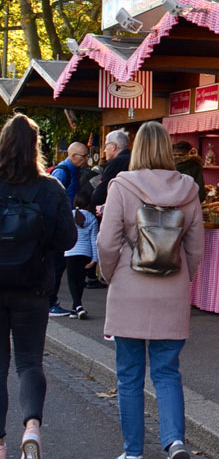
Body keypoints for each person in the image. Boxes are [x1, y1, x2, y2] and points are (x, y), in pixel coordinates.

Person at [98, 121, 204, 459]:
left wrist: (110, 273)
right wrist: (184, 278)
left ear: (138, 148)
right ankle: (174, 441)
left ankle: (132, 452)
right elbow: (196, 247)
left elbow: (107, 241)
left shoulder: (122, 186)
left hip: (129, 287)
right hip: (171, 288)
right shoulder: (188, 188)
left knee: (129, 375)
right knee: (167, 371)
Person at [0, 114, 77, 459]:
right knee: (30, 362)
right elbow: (68, 237)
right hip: (33, 288)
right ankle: (31, 426)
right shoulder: (50, 188)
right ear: (36, 148)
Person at [47, 141, 89, 317]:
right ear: (72, 156)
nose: (87, 159)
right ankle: (50, 302)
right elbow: (52, 198)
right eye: (84, 156)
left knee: (60, 265)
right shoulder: (62, 172)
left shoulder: (73, 170)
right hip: (60, 225)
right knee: (57, 265)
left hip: (65, 224)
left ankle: (51, 301)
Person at [63, 192, 98, 320]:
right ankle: (75, 308)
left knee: (72, 280)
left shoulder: (69, 216)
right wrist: (95, 259)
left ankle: (77, 306)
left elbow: (64, 234)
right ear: (89, 204)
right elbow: (94, 240)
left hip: (71, 251)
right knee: (80, 281)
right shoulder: (92, 219)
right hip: (86, 252)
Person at [92, 129, 131, 207]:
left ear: (113, 146)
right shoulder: (136, 159)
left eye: (106, 146)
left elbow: (100, 195)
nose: (104, 150)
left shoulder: (115, 163)